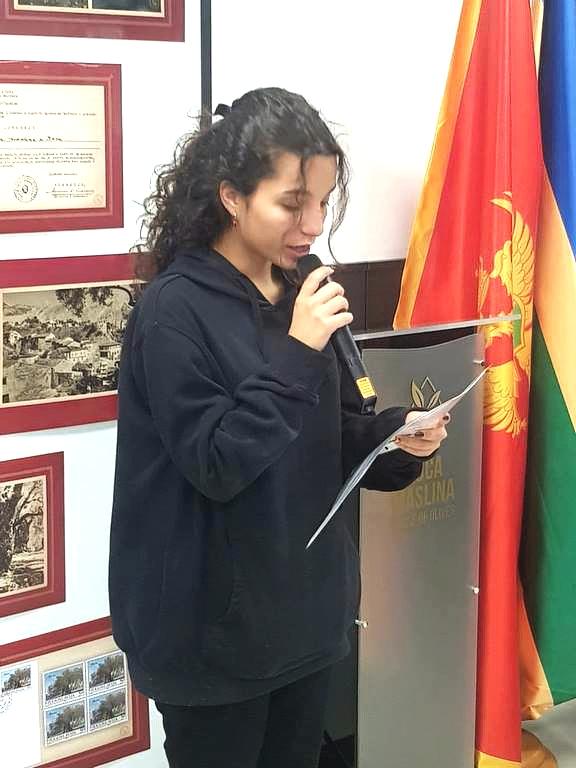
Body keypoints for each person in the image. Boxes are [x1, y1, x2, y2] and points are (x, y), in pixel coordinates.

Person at [109, 87, 448, 768]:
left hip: (304, 619)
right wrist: (297, 350)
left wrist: (396, 437)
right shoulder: (175, 311)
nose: (313, 224)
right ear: (232, 198)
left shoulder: (301, 290)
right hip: (211, 638)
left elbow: (328, 436)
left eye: (322, 202)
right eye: (293, 204)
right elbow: (217, 463)